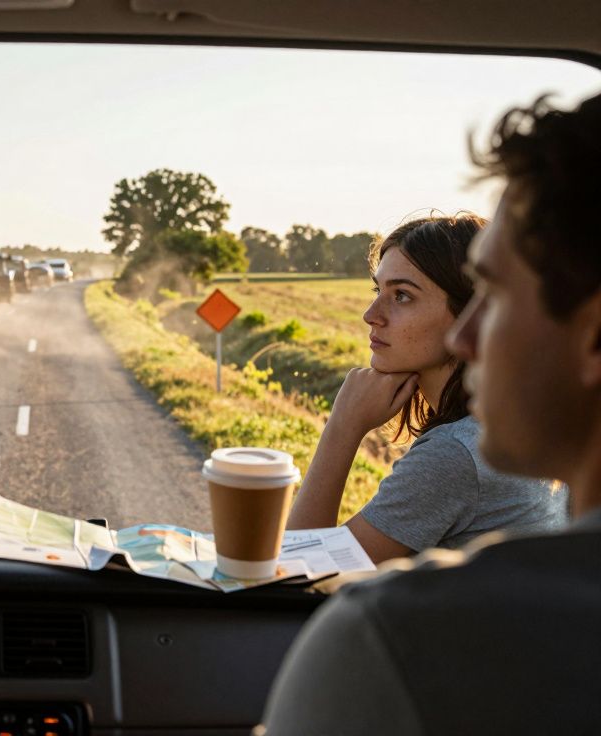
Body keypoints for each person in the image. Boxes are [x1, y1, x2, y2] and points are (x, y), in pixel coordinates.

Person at [262, 92, 601, 734]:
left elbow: (297, 575)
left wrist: (339, 431)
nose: (470, 341)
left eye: (495, 297)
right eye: (377, 293)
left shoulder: (390, 630)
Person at [286, 215, 567, 563]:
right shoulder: (522, 427)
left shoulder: (456, 455)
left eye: (402, 295)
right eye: (379, 291)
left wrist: (342, 426)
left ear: (469, 313)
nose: (371, 314)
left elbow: (301, 568)